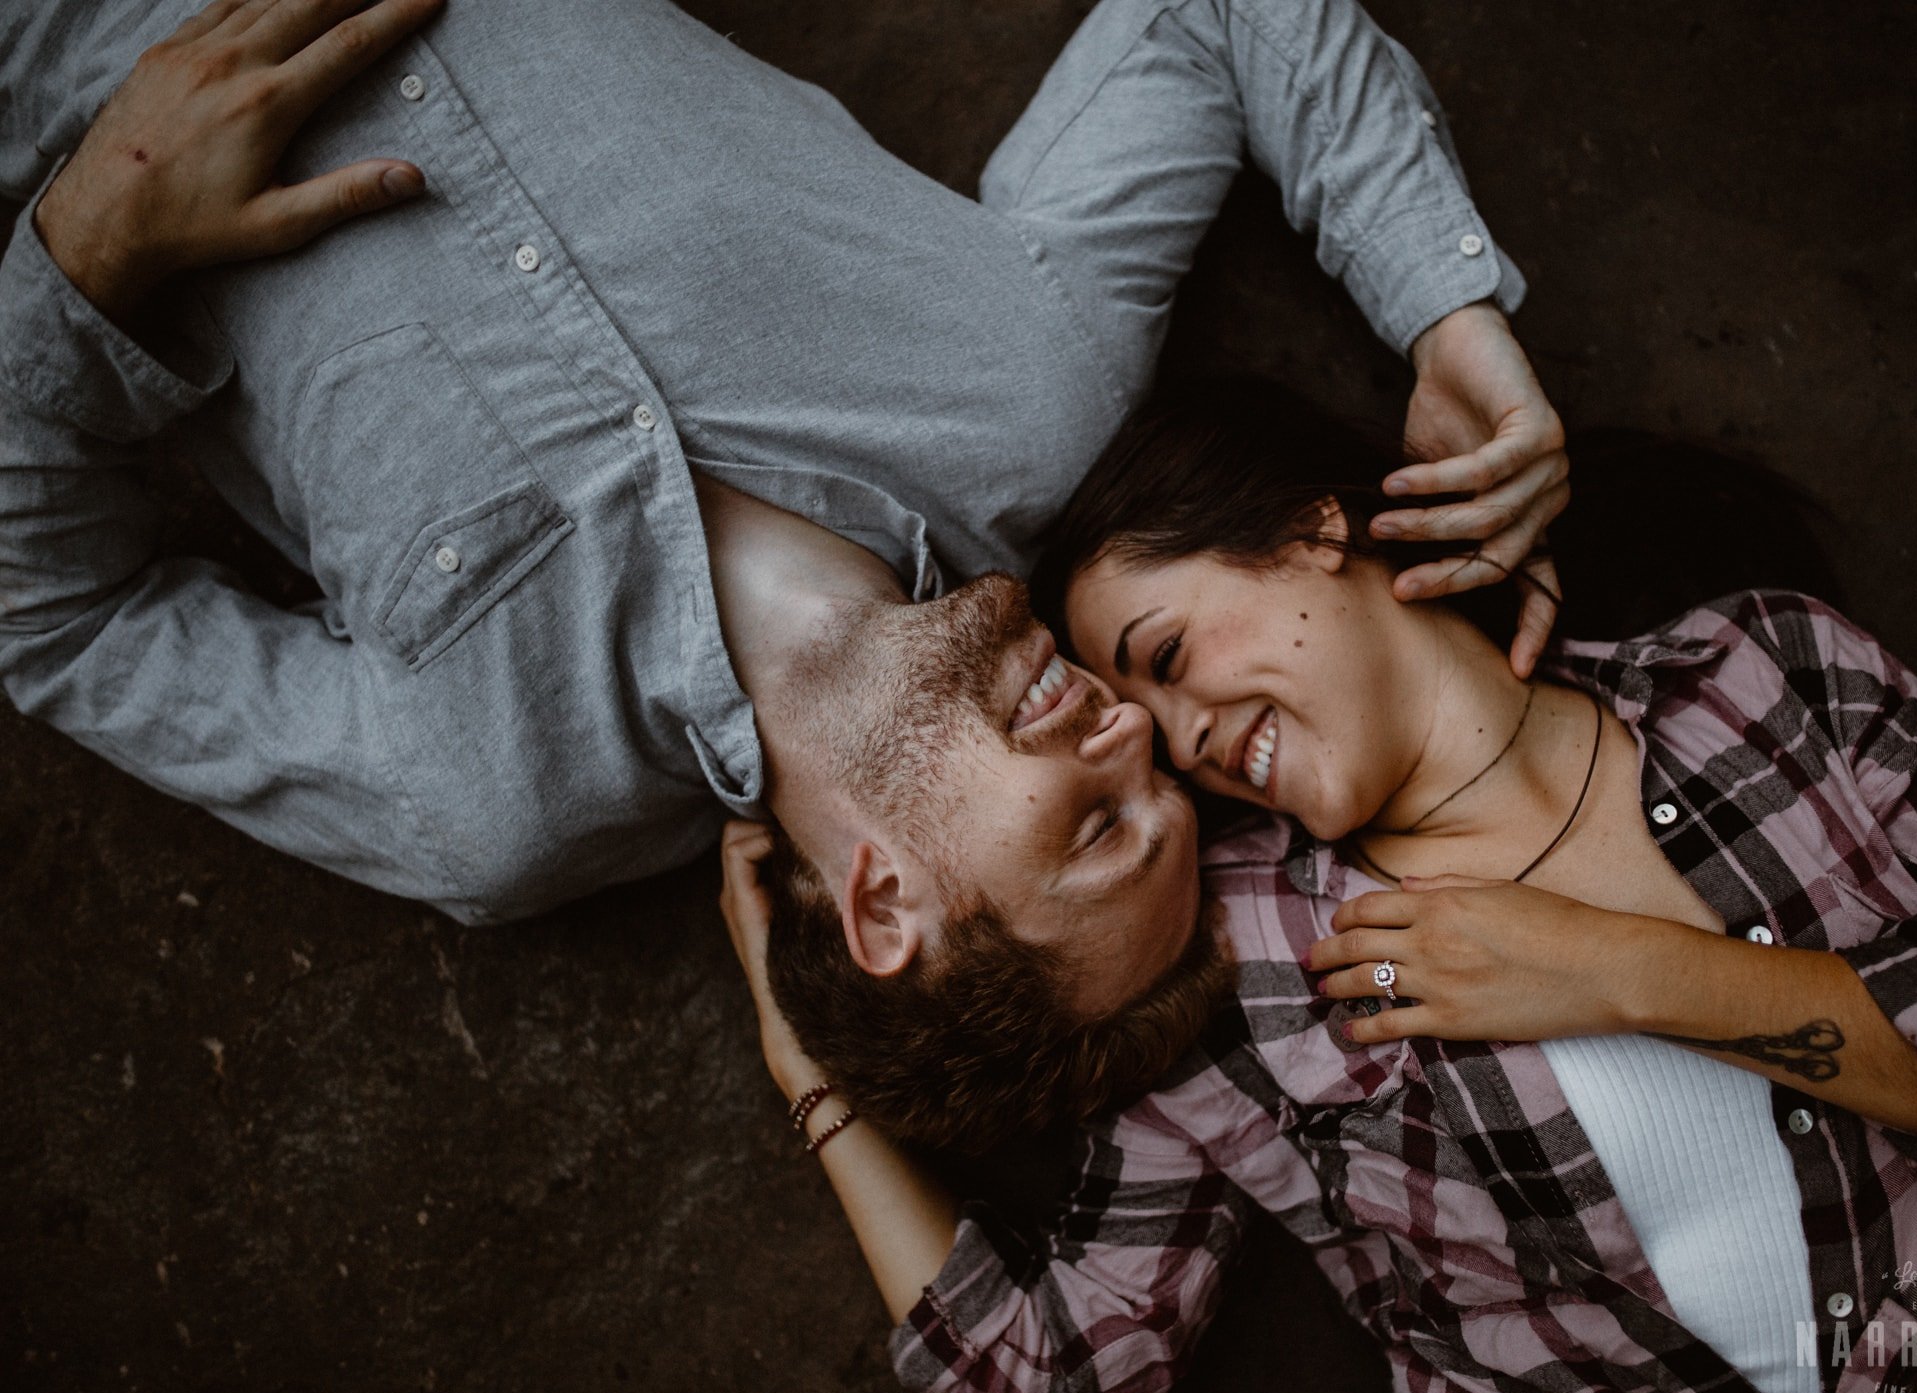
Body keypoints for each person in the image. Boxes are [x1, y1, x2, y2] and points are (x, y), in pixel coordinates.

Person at [0, 0, 1565, 1051]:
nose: (1131, 734)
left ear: (887, 903)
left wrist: (86, 256)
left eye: (1095, 827)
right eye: (1160, 779)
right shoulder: (1038, 401)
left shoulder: (486, 797)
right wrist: (1441, 309)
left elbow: (54, 618)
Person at [720, 384, 1917, 1393]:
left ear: (1313, 532)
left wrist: (1618, 969)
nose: (1179, 735)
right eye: (1152, 728)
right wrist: (813, 1075)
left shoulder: (1769, 680)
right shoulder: (1245, 966)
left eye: (1165, 654)